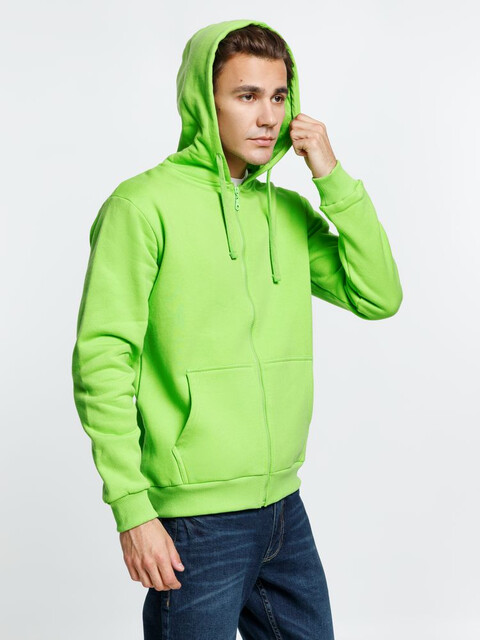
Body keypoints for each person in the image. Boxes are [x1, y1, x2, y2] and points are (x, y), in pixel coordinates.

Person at [71, 18, 403, 640]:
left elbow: (379, 295)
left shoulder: (288, 212)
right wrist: (132, 508)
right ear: (205, 100)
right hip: (195, 520)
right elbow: (103, 361)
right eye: (246, 96)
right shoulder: (141, 206)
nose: (268, 116)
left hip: (283, 508)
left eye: (279, 97)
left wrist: (331, 176)